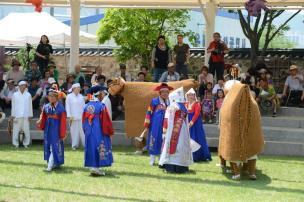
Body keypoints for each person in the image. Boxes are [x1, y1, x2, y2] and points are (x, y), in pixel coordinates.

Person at [218, 80, 264, 180]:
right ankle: (250, 171)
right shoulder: (253, 103)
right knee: (250, 153)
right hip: (246, 135)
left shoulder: (229, 102)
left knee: (234, 151)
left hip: (236, 135)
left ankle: (237, 172)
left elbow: (223, 118)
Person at [159, 87, 193, 173]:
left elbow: (167, 119)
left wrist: (165, 131)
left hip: (174, 128)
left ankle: (172, 167)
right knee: (181, 146)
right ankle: (182, 167)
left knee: (173, 146)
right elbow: (186, 119)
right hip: (183, 129)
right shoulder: (183, 106)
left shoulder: (173, 106)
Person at [82, 91, 114, 176]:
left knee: (91, 146)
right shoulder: (101, 106)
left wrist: (86, 130)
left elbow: (83, 121)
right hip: (99, 130)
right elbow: (106, 121)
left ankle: (92, 166)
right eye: (102, 94)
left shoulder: (85, 106)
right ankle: (96, 168)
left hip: (89, 130)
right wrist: (109, 131)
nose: (103, 96)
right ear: (99, 95)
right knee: (99, 146)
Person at [37, 89, 67, 172]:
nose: (50, 97)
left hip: (56, 129)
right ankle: (53, 163)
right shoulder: (46, 106)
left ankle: (49, 166)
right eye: (49, 96)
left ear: (56, 97)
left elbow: (63, 121)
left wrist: (62, 133)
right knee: (48, 145)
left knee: (54, 146)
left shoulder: (61, 108)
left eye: (52, 96)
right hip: (48, 128)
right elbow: (43, 117)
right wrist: (41, 125)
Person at [144, 83, 172, 166]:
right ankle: (152, 160)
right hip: (155, 125)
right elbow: (149, 112)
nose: (165, 94)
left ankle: (161, 159)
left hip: (166, 124)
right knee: (154, 139)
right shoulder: (154, 101)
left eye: (167, 92)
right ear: (160, 93)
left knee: (163, 141)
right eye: (163, 92)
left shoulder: (170, 102)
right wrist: (147, 123)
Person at [185, 88, 212, 162]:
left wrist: (191, 122)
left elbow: (196, 114)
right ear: (187, 96)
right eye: (189, 95)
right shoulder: (186, 104)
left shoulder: (197, 104)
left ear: (194, 96)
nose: (190, 96)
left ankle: (199, 156)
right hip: (187, 123)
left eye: (192, 95)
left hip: (196, 124)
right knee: (189, 138)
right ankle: (189, 155)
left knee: (197, 138)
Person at [11, 81, 33, 148]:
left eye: (24, 85)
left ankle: (26, 143)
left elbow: (30, 105)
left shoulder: (28, 94)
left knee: (26, 130)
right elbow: (13, 105)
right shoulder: (15, 94)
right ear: (19, 86)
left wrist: (30, 115)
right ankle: (16, 143)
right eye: (22, 85)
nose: (23, 86)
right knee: (16, 130)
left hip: (26, 115)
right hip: (17, 115)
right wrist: (13, 115)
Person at [66, 83, 85, 150]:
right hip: (72, 117)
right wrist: (69, 116)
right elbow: (67, 107)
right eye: (77, 88)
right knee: (74, 132)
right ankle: (74, 145)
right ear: (74, 89)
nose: (79, 89)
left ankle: (85, 145)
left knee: (83, 131)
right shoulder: (69, 96)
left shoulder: (81, 96)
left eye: (79, 88)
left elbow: (84, 107)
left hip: (81, 116)